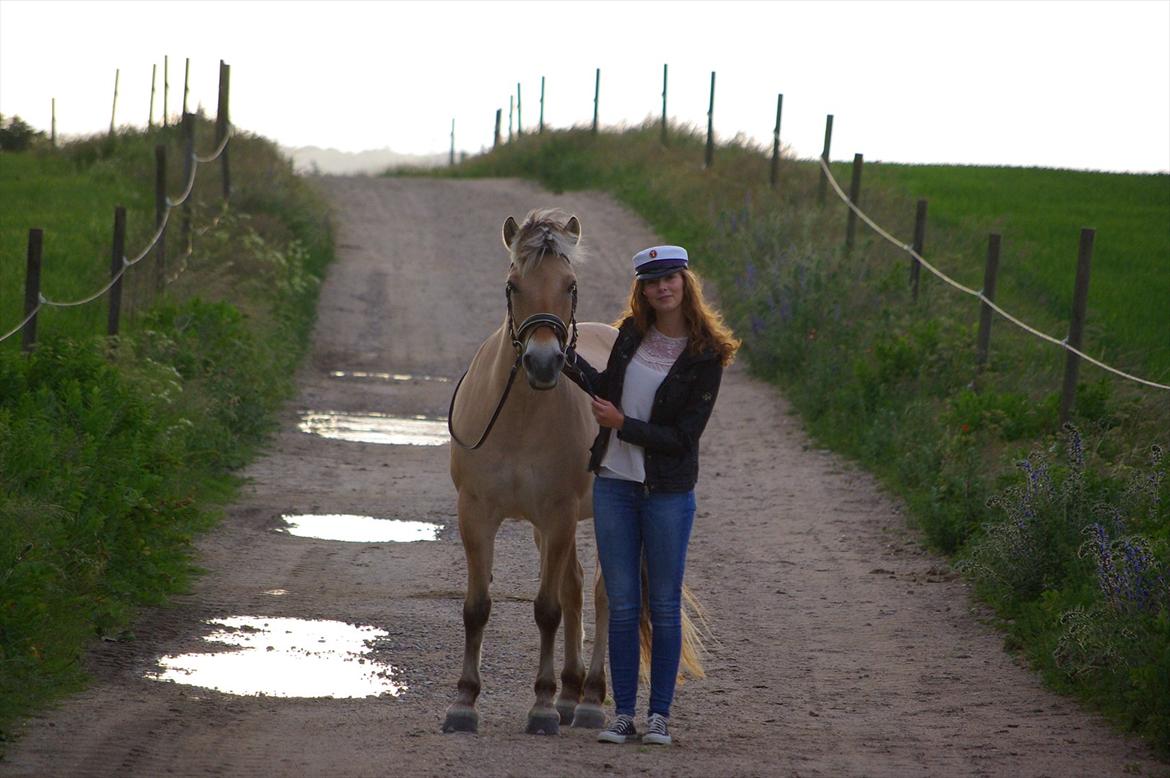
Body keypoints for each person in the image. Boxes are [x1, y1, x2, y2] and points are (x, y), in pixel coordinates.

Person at [563, 244, 739, 746]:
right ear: (641, 288)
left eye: (671, 278)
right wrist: (563, 353)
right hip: (614, 484)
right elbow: (605, 388)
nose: (663, 287)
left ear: (686, 283)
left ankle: (658, 715)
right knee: (621, 605)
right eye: (652, 280)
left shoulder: (707, 355)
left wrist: (624, 426)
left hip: (667, 493)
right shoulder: (629, 335)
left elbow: (684, 437)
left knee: (661, 604)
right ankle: (623, 715)